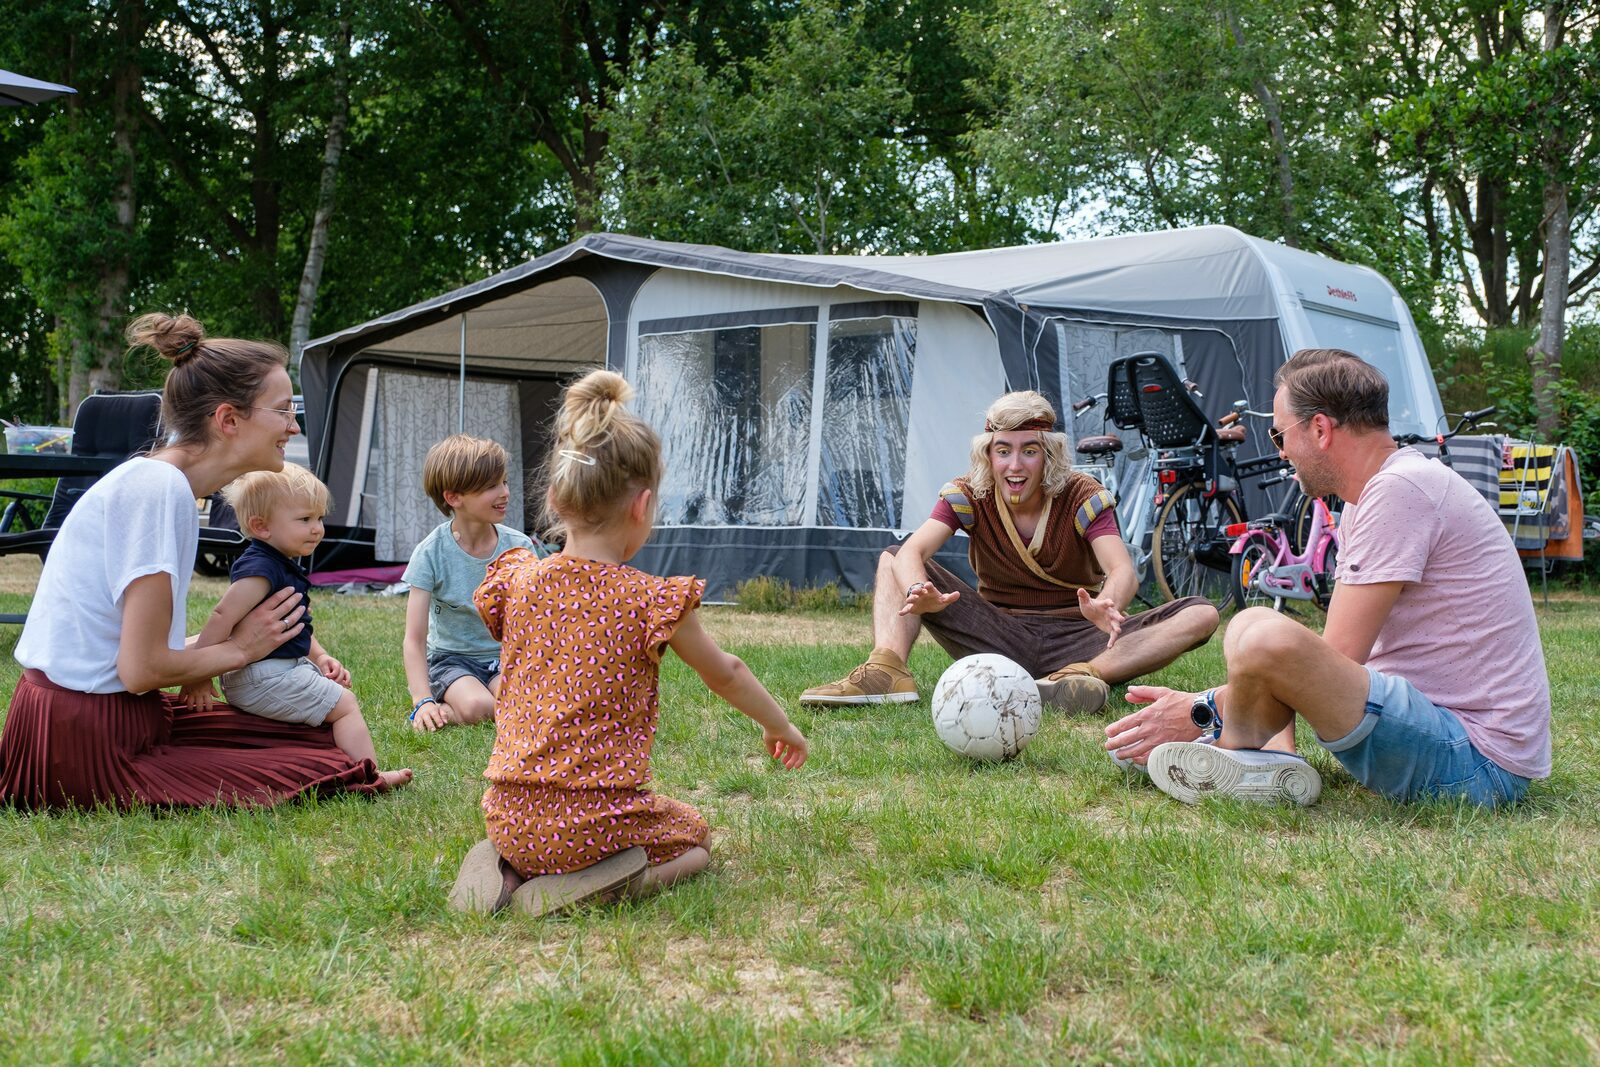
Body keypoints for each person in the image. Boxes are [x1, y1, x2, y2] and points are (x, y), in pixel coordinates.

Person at [1111, 348, 1550, 807]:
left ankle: (1228, 739)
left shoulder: (1400, 490)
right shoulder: (1374, 493)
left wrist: (1201, 708)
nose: (1280, 453)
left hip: (1476, 762)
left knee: (1267, 641)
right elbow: (1326, 661)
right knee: (1250, 625)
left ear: (1320, 429)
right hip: (1443, 732)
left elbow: (1333, 657)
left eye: (1279, 435)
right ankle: (1268, 757)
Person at [0, 312, 400, 810]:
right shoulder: (158, 489)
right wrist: (240, 650)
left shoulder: (170, 486)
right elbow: (141, 668)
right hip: (86, 740)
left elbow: (130, 652)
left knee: (320, 738)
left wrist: (238, 642)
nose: (293, 425)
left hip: (113, 713)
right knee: (325, 766)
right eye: (282, 410)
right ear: (228, 419)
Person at [448, 369, 809, 916]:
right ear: (642, 506)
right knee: (696, 842)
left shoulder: (516, 578)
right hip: (598, 822)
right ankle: (610, 884)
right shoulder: (649, 600)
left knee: (532, 833)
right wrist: (779, 725)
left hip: (508, 811)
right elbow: (726, 672)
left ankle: (509, 866)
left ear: (553, 497)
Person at [800, 390, 1219, 713]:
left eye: (1029, 450)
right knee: (892, 557)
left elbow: (1121, 568)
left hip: (1081, 636)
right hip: (996, 634)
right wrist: (917, 589)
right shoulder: (969, 492)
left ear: (1048, 454)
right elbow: (914, 550)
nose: (1014, 465)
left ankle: (1078, 679)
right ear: (989, 452)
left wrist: (1106, 604)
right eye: (1003, 450)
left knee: (1202, 613)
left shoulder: (1081, 495)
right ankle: (887, 672)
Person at [180, 464, 410, 789]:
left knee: (332, 695)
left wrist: (321, 657)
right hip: (260, 677)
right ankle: (366, 775)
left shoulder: (281, 561)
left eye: (319, 518)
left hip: (276, 669)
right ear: (262, 526)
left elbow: (296, 621)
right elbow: (222, 618)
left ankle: (327, 760)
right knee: (345, 707)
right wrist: (198, 675)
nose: (317, 529)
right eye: (305, 520)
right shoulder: (260, 569)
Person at [401, 434, 535, 732]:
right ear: (454, 497)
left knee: (521, 701)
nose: (504, 493)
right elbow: (414, 638)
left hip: (505, 658)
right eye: (491, 486)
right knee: (479, 707)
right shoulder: (431, 552)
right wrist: (422, 699)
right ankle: (443, 707)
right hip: (452, 662)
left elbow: (536, 620)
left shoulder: (520, 546)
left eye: (504, 482)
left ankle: (452, 711)